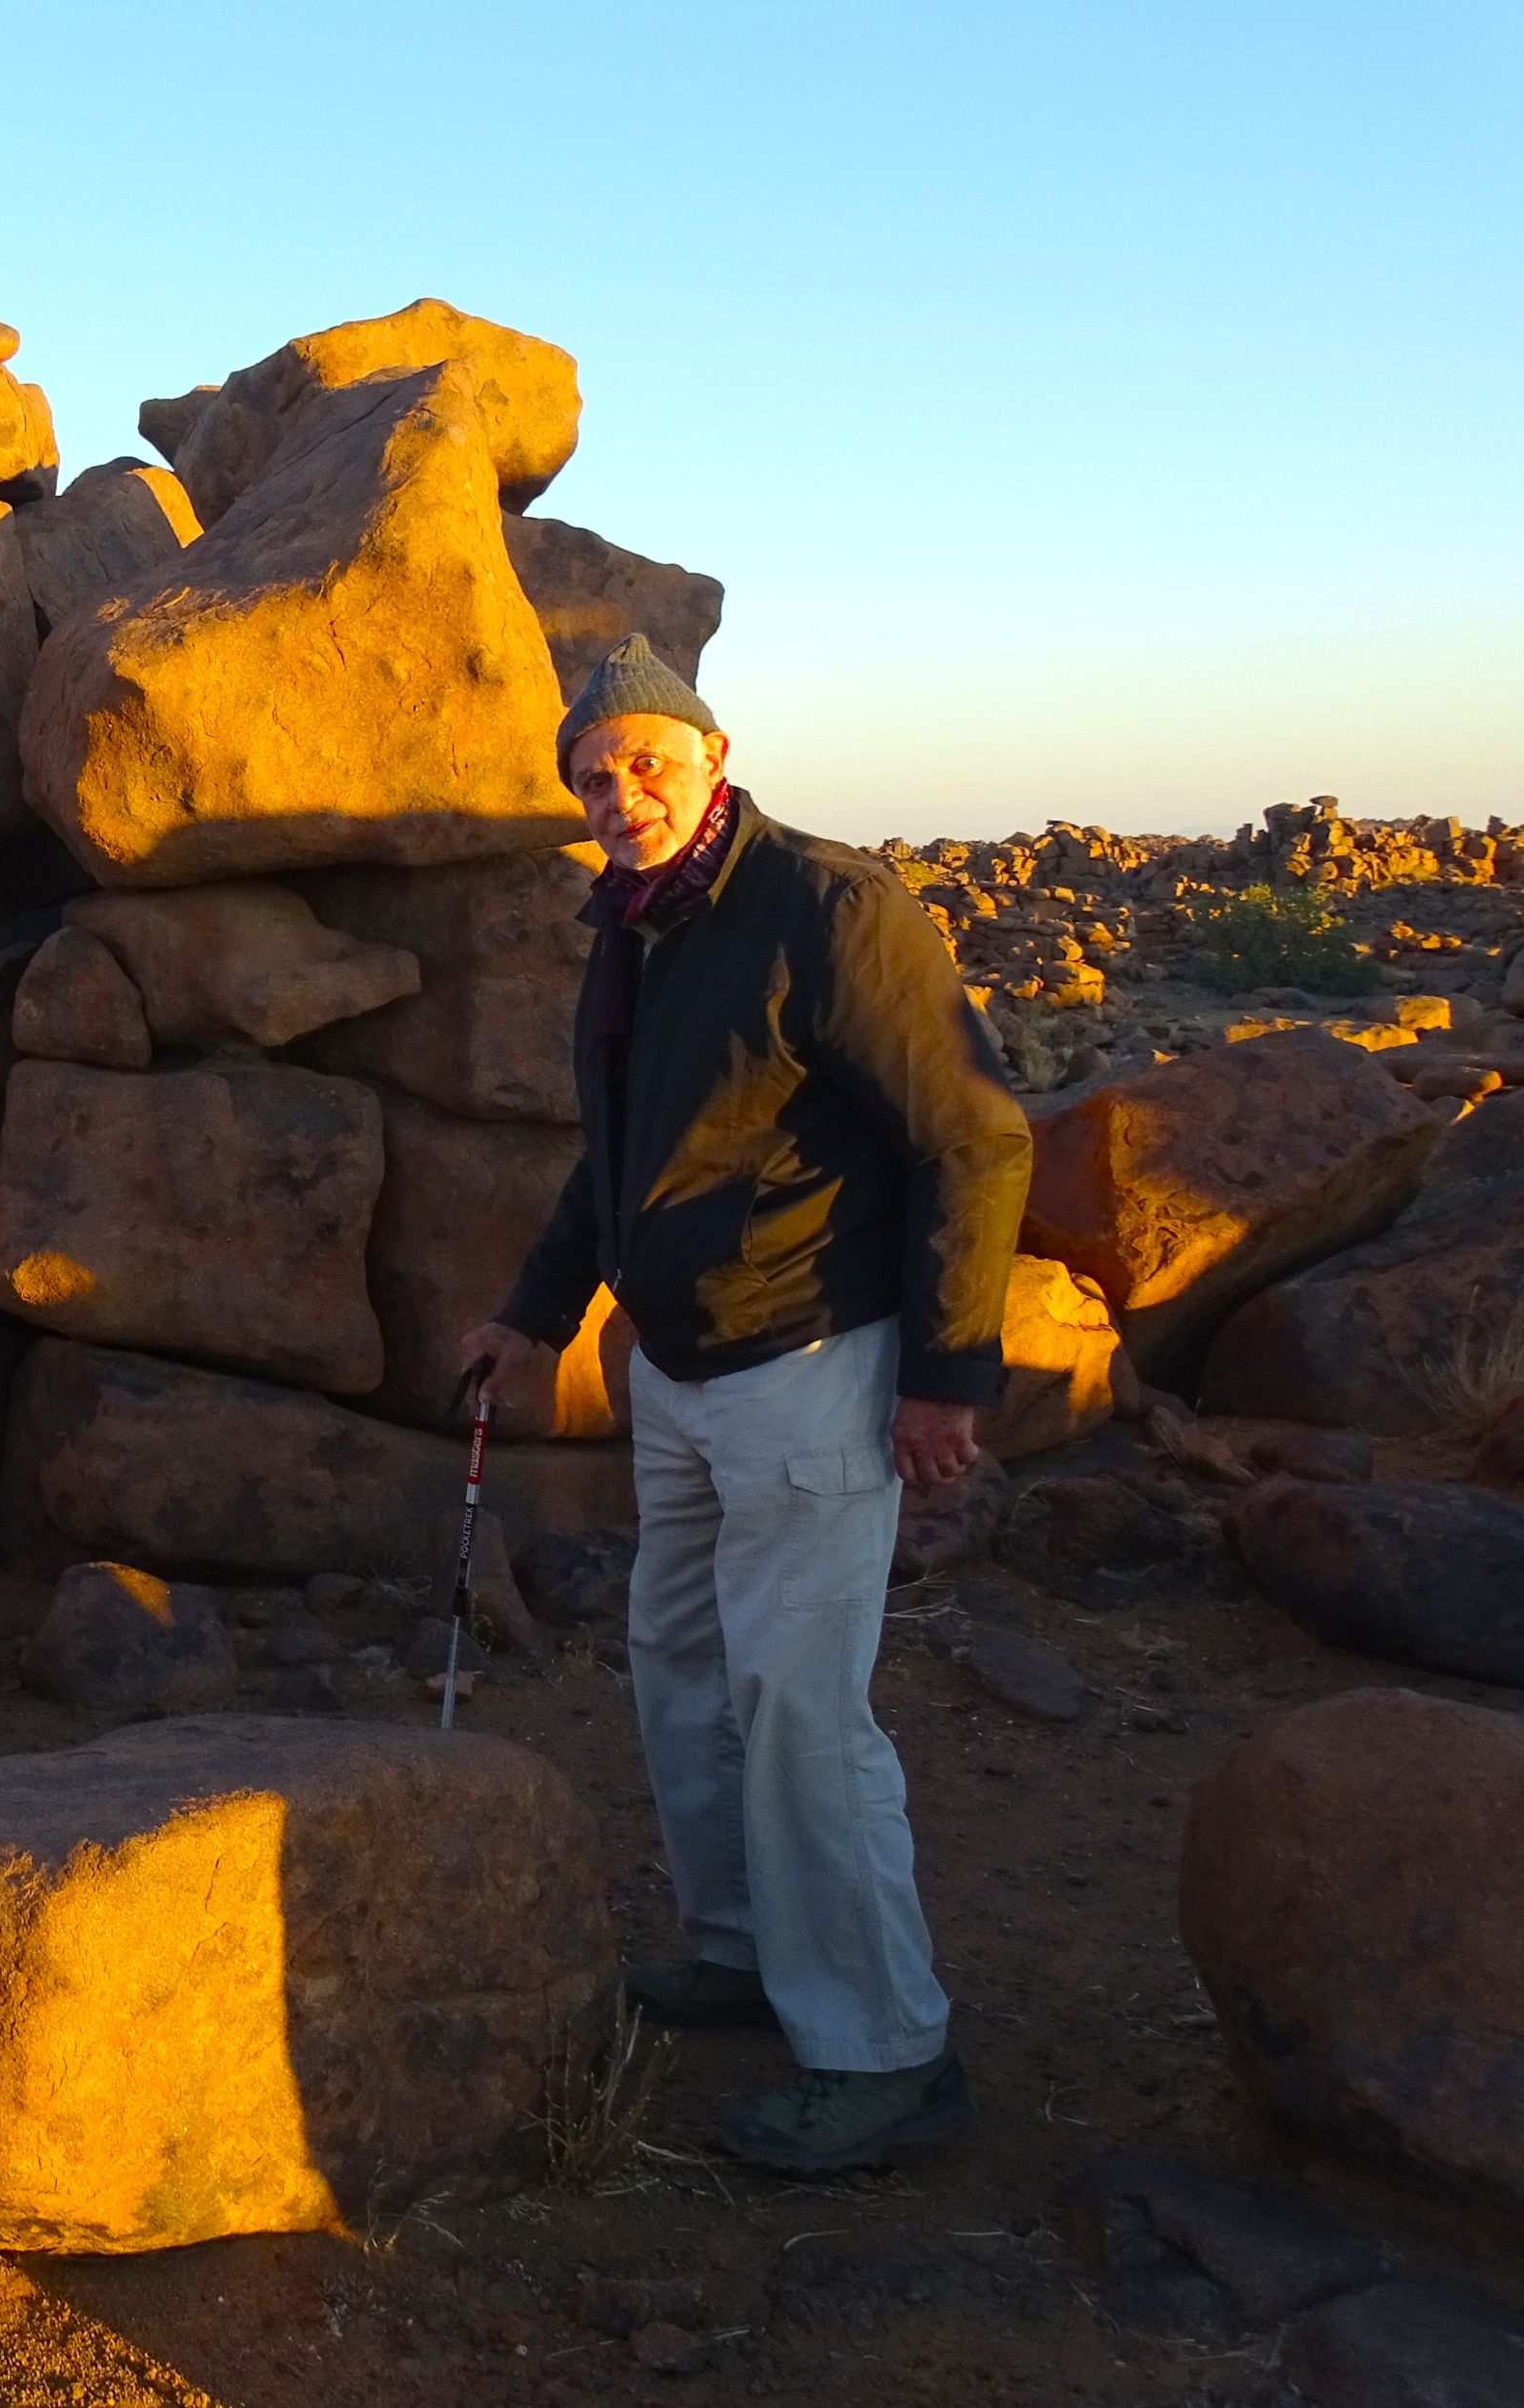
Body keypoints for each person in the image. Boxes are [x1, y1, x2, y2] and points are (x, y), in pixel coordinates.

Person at [459, 635, 1032, 2175]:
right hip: (685, 1367)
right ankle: (738, 1947)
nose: (617, 792)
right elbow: (621, 1150)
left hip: (813, 1360)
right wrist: (533, 1309)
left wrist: (942, 1381)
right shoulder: (637, 924)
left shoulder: (830, 909)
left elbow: (974, 1142)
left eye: (644, 760)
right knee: (681, 1662)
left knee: (798, 1697)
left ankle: (885, 2047)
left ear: (713, 755)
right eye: (591, 776)